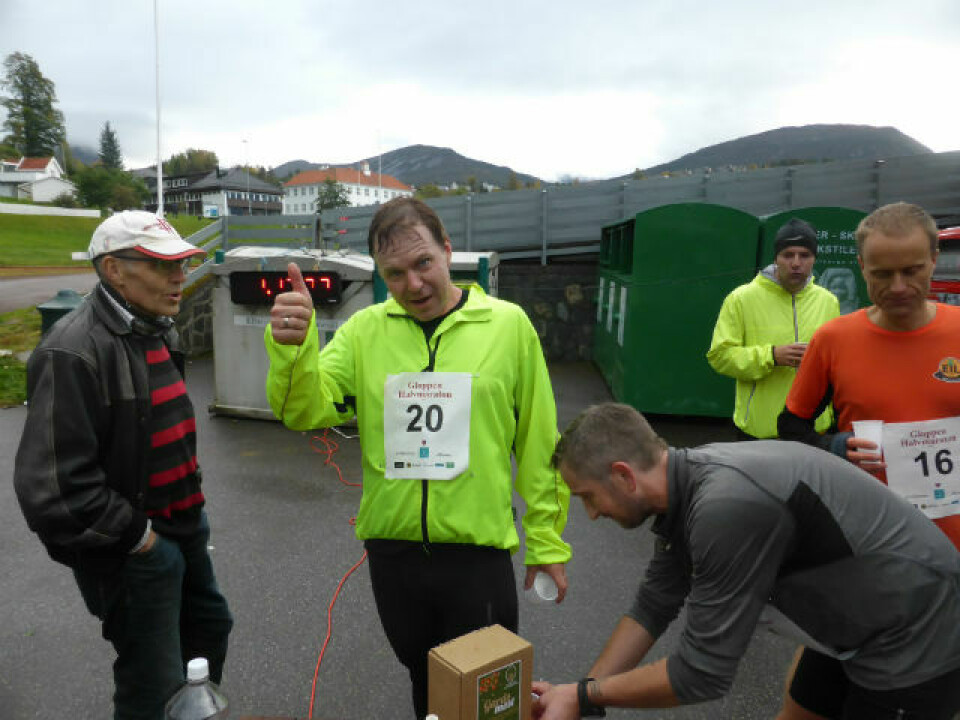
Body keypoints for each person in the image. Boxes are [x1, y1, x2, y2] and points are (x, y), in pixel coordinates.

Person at [264, 196, 571, 719]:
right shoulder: (365, 332)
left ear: (448, 251)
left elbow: (539, 442)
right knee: (426, 685)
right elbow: (304, 410)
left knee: (486, 696)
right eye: (396, 273)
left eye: (424, 263)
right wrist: (293, 349)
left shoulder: (508, 327)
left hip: (476, 555)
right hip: (395, 555)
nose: (413, 285)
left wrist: (547, 540)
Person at [532, 402, 960, 720]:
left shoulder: (725, 506)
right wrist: (579, 696)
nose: (590, 514)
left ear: (624, 475)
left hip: (914, 626)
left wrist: (586, 697)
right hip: (855, 616)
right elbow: (654, 604)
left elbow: (700, 674)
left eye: (588, 496)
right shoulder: (683, 490)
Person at [14, 210, 233, 720]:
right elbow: (53, 490)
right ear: (114, 270)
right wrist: (141, 540)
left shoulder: (157, 328)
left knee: (208, 635)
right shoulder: (71, 350)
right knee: (152, 683)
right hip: (136, 549)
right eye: (162, 266)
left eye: (182, 263)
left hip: (184, 527)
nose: (180, 276)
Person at [775, 201, 960, 720]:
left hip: (949, 559)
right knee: (810, 701)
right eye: (882, 273)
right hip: (859, 558)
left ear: (934, 259)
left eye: (912, 270)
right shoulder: (835, 340)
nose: (898, 286)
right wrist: (834, 447)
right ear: (861, 268)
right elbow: (791, 429)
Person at [707, 218, 839, 439]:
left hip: (814, 430)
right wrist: (771, 356)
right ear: (776, 258)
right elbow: (720, 356)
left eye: (805, 255)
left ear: (814, 258)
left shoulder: (828, 302)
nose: (796, 263)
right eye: (788, 255)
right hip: (760, 431)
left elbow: (836, 362)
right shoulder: (741, 298)